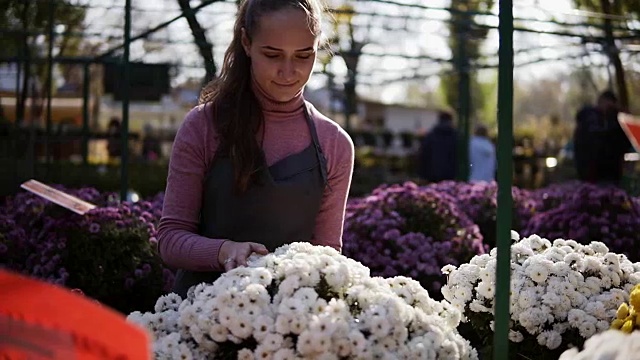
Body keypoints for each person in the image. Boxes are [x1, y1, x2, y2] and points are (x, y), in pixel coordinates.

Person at [157, 0, 355, 298]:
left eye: (304, 55)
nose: (288, 72)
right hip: (198, 320)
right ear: (247, 43)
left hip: (290, 323)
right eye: (272, 54)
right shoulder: (204, 126)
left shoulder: (335, 144)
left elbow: (326, 255)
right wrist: (224, 251)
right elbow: (170, 240)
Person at [573, 90, 630, 185]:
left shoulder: (612, 120)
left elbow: (623, 144)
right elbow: (592, 142)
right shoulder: (589, 119)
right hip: (592, 173)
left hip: (611, 173)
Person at [417, 110, 458, 182]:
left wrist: (422, 174)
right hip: (451, 173)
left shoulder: (431, 135)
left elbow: (423, 154)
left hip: (433, 173)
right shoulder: (457, 136)